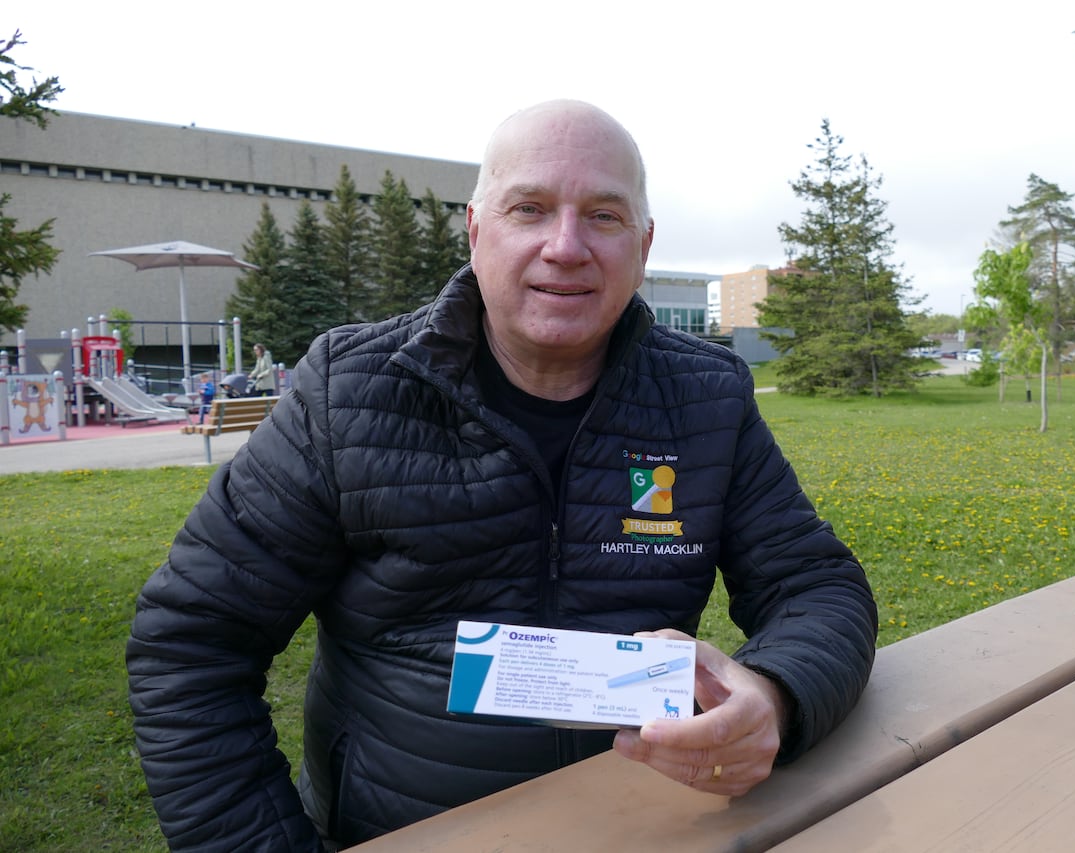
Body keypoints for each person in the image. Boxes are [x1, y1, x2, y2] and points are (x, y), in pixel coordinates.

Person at [126, 99, 878, 851]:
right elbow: (192, 642)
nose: (566, 245)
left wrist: (777, 695)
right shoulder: (348, 391)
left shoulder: (706, 398)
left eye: (605, 216)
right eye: (531, 208)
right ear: (477, 230)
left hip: (642, 826)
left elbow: (816, 586)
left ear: (643, 245)